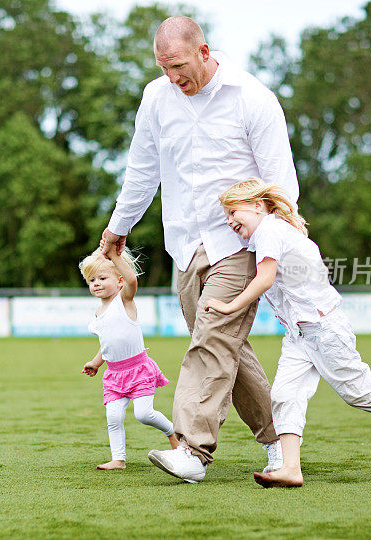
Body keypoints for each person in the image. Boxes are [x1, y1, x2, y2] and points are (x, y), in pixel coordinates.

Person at [101, 15, 298, 482]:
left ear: (204, 52)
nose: (173, 77)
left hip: (239, 241)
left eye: (179, 65)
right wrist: (117, 228)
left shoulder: (253, 99)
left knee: (210, 340)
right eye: (164, 67)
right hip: (185, 245)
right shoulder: (155, 99)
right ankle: (279, 443)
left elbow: (281, 183)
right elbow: (142, 170)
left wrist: (276, 242)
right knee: (225, 345)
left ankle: (192, 451)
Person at [204, 178, 371, 487]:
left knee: (357, 391)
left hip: (325, 329)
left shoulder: (270, 230)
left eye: (233, 213)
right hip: (298, 335)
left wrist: (229, 307)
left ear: (257, 206)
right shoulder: (266, 234)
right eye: (226, 216)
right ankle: (291, 469)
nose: (230, 222)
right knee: (283, 395)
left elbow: (265, 279)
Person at [80, 244, 180, 470]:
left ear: (119, 281)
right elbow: (107, 343)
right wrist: (96, 363)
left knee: (144, 414)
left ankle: (173, 432)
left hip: (138, 369)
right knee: (113, 418)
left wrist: (115, 257)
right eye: (92, 280)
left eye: (102, 278)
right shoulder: (98, 313)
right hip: (114, 374)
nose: (96, 283)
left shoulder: (124, 301)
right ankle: (119, 459)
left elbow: (133, 280)